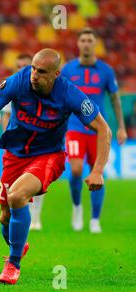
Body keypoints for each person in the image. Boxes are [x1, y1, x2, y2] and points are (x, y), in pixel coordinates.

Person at [0, 48, 111, 285]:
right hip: (14, 156)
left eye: (42, 72)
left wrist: (97, 171)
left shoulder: (69, 93)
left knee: (17, 196)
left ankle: (13, 265)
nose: (34, 75)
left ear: (56, 73)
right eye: (33, 68)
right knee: (4, 218)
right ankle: (18, 245)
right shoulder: (19, 81)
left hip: (48, 157)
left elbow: (103, 128)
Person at [61, 28, 127, 233]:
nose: (86, 43)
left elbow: (115, 99)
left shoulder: (106, 71)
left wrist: (121, 128)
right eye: (83, 40)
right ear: (78, 44)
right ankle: (77, 206)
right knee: (77, 170)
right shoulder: (68, 70)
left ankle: (95, 219)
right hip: (74, 127)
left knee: (98, 173)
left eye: (90, 40)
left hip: (99, 130)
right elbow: (59, 98)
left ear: (95, 43)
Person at [1, 53, 44, 231]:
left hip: (38, 142)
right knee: (14, 184)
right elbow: (6, 115)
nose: (22, 69)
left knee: (38, 181)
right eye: (18, 66)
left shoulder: (43, 88)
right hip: (17, 145)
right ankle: (19, 214)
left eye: (26, 66)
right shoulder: (12, 85)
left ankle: (35, 216)